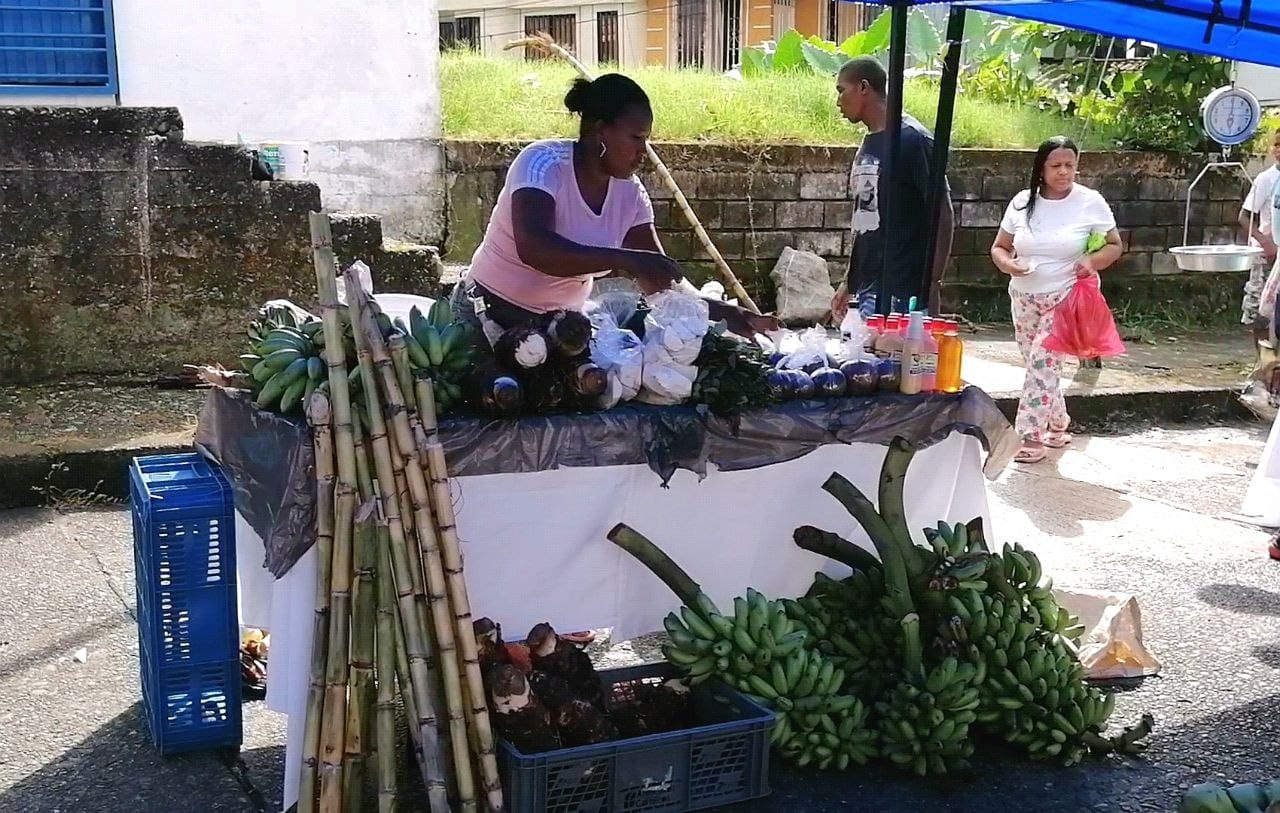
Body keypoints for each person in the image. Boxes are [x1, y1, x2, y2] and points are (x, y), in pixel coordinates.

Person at [450, 73, 777, 339]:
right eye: (636, 138)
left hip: (561, 328)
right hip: (486, 315)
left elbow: (661, 281)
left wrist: (725, 314)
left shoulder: (630, 195)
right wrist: (626, 259)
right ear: (598, 131)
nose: (643, 151)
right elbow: (535, 248)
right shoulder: (542, 163)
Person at [989, 136, 1123, 464]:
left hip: (1065, 297)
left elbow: (1114, 244)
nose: (1064, 172)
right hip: (1023, 296)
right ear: (1041, 169)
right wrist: (1009, 265)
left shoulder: (1090, 202)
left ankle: (1028, 436)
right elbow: (999, 246)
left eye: (1070, 165)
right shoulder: (1022, 202)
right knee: (1039, 366)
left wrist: (1091, 262)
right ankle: (1058, 422)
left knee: (1041, 363)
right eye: (1056, 166)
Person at [830, 57, 954, 322]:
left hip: (904, 289)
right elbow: (865, 218)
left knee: (901, 363)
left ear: (864, 87)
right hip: (869, 287)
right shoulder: (870, 142)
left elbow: (942, 212)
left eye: (842, 90)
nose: (838, 101)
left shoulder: (913, 139)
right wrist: (850, 281)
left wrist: (932, 283)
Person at [1240, 130, 1280, 353]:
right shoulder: (1266, 179)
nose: (1278, 150)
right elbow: (1244, 217)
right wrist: (1266, 243)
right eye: (1276, 145)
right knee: (1259, 313)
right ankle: (1262, 363)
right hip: (1267, 256)